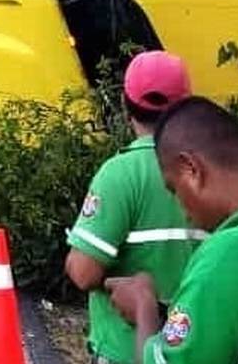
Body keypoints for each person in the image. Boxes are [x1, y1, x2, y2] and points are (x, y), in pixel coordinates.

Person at [106, 97, 238, 363]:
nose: (185, 214)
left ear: (191, 169)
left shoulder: (234, 255)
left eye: (174, 190)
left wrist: (143, 309)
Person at [65, 51, 206, 363]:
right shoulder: (212, 169)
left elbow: (84, 273)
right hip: (198, 350)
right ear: (185, 107)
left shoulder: (120, 174)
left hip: (127, 350)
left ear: (124, 104)